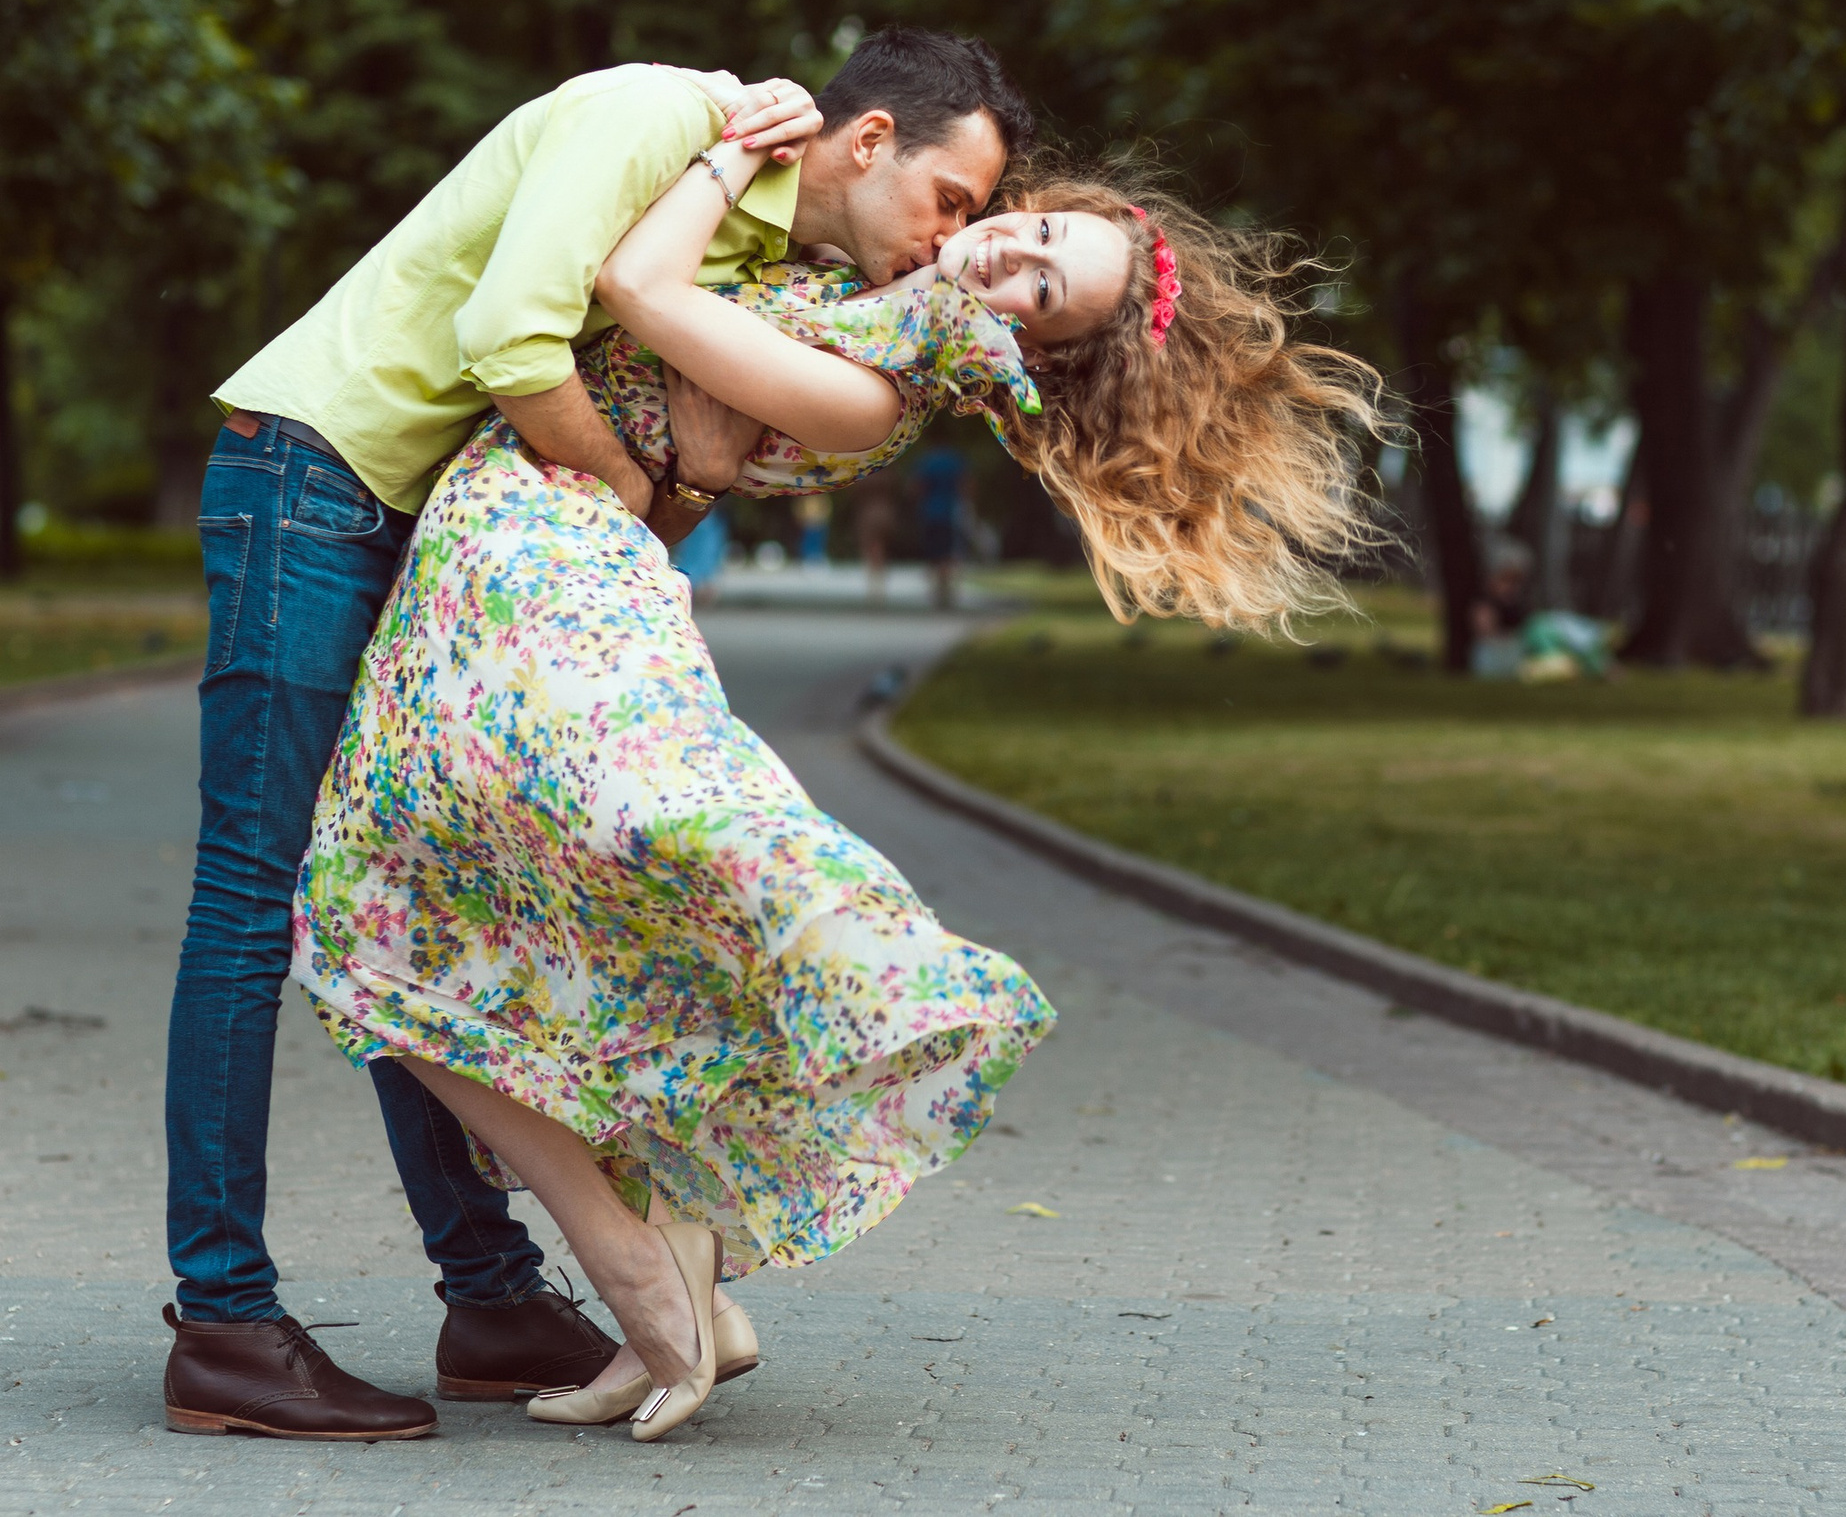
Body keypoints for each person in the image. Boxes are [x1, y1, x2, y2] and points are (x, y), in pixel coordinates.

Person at [287, 136, 1394, 1441]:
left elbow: (639, 286)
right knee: (417, 921)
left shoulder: (875, 389)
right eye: (1035, 230)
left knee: (371, 919)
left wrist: (726, 143)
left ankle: (644, 1258)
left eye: (1041, 288)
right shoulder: (868, 298)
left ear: (1024, 354)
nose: (1009, 249)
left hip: (543, 563)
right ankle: (668, 1248)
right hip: (528, 546)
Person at [164, 27, 1033, 1442]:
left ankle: (493, 1294)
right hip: (319, 479)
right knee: (260, 900)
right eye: (952, 199)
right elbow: (509, 336)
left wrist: (671, 476)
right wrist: (643, 475)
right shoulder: (654, 120)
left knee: (412, 898)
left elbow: (672, 475)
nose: (954, 238)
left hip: (427, 524)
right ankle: (223, 1317)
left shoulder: (763, 270)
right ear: (868, 141)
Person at [911, 442, 974, 607]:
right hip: (951, 511)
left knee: (934, 551)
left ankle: (938, 588)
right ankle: (946, 588)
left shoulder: (927, 460)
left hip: (930, 511)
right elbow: (965, 485)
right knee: (948, 551)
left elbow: (919, 486)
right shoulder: (955, 459)